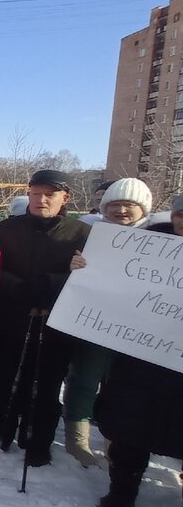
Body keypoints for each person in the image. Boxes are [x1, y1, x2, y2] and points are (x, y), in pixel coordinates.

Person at [0, 169, 90, 469]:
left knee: (46, 387)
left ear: (65, 198)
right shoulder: (4, 230)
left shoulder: (81, 233)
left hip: (55, 323)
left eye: (49, 195)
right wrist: (20, 288)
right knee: (2, 381)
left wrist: (52, 282)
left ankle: (38, 442)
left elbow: (91, 277)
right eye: (36, 193)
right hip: (12, 317)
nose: (41, 200)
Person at [93, 194, 183, 507]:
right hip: (140, 356)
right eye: (181, 214)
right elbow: (106, 280)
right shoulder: (145, 245)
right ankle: (121, 492)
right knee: (131, 427)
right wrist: (83, 267)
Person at [61, 177, 153, 467]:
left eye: (129, 205)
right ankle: (77, 437)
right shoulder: (90, 235)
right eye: (114, 204)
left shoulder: (160, 238)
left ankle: (116, 439)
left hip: (138, 328)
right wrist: (74, 266)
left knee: (123, 385)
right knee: (85, 378)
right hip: (95, 322)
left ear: (143, 209)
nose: (122, 211)